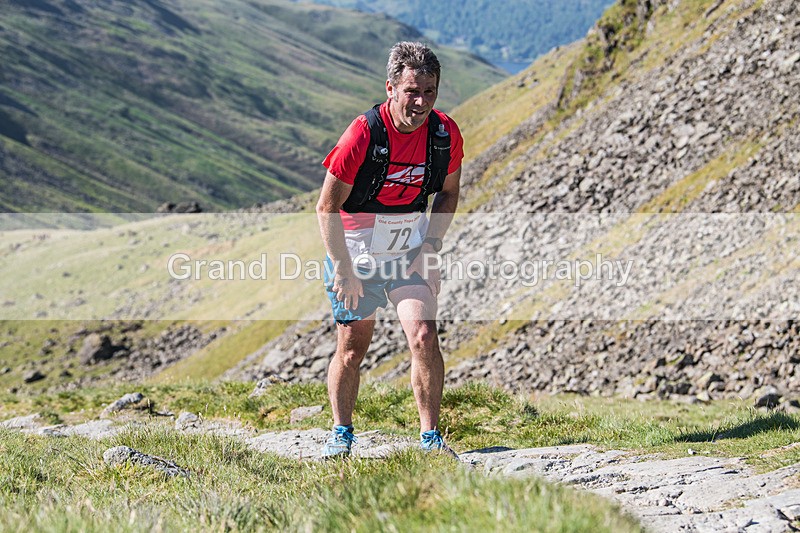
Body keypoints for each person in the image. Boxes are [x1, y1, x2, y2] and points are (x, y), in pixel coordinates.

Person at [315, 41, 463, 458]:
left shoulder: (444, 132)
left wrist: (430, 247)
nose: (421, 102)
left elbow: (448, 195)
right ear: (391, 88)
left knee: (424, 334)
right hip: (356, 252)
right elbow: (326, 207)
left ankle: (431, 439)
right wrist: (342, 268)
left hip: (409, 249)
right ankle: (341, 433)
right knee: (352, 347)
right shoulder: (362, 134)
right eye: (412, 91)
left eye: (429, 92)